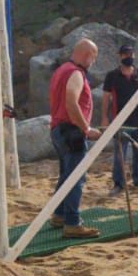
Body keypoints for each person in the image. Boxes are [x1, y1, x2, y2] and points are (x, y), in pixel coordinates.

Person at [48, 39, 102, 238]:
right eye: (94, 57)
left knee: (66, 175)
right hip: (71, 131)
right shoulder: (76, 73)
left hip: (58, 128)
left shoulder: (61, 70)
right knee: (76, 178)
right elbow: (71, 101)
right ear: (88, 55)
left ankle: (59, 214)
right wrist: (86, 129)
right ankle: (72, 223)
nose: (93, 62)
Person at [102, 44, 138, 193]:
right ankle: (119, 183)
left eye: (131, 54)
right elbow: (106, 97)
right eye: (126, 54)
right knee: (120, 153)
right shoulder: (112, 75)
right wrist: (104, 117)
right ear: (120, 56)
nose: (129, 57)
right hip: (120, 121)